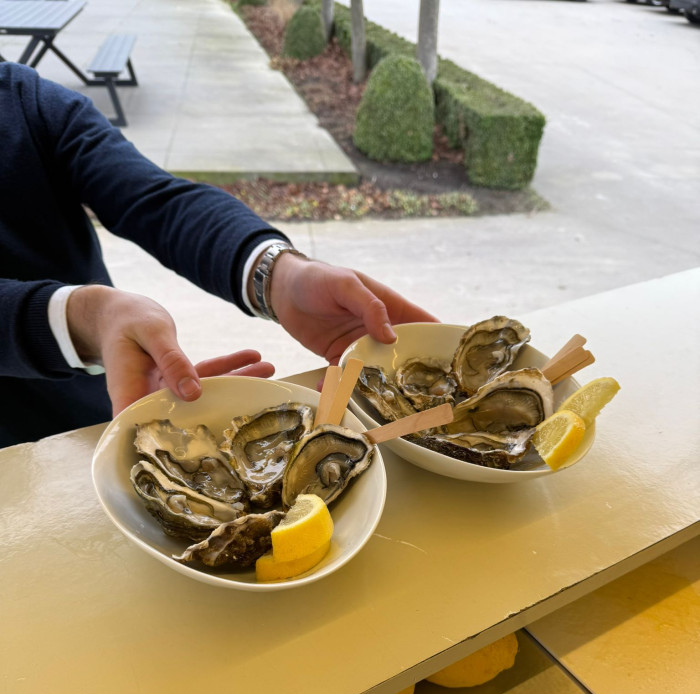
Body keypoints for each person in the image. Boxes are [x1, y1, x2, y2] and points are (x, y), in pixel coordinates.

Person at [0, 63, 437, 447]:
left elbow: (157, 201)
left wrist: (277, 274)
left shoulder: (24, 98)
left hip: (101, 411)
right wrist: (84, 317)